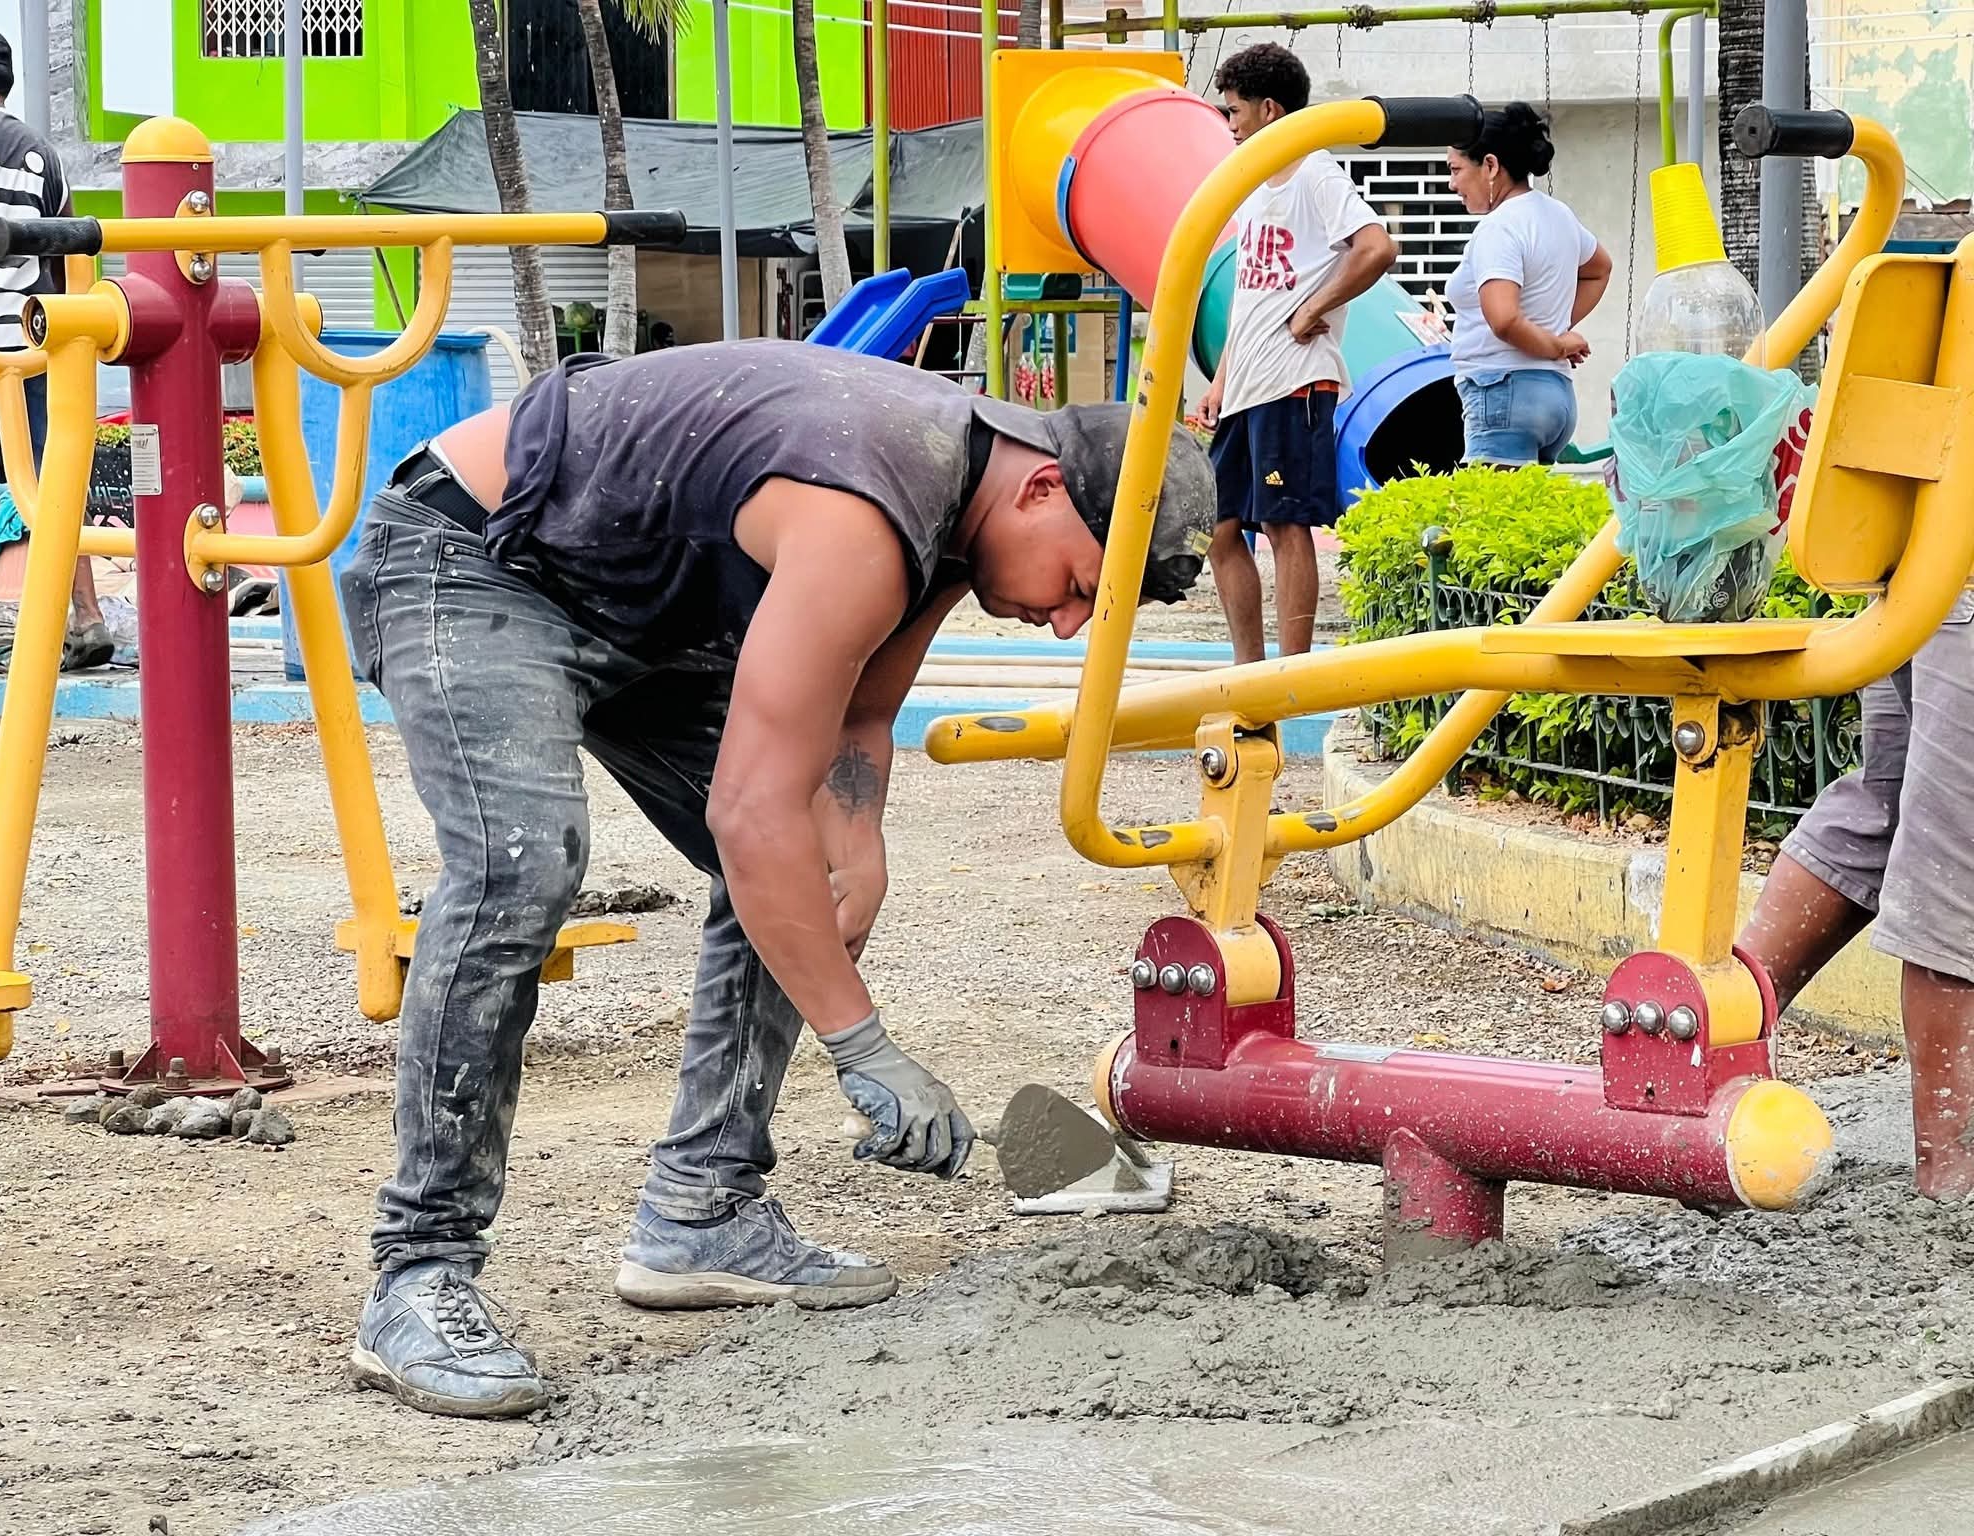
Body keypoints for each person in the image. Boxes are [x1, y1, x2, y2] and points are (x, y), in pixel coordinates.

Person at [338, 340, 1215, 1418]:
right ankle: (418, 1273)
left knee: (804, 865)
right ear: (1042, 488)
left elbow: (855, 716)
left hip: (627, 597)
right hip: (476, 556)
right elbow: (749, 814)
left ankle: (700, 1208)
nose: (1071, 620)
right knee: (522, 864)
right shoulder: (871, 506)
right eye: (1082, 585)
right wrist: (864, 1047)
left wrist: (858, 842)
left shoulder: (962, 510)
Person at [1739, 605, 1974, 1200]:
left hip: (1927, 586)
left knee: (1887, 807)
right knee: (1957, 844)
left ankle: (1709, 1056)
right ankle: (1952, 1178)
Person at [1200, 43, 1397, 665]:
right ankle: (1247, 670)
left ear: (1270, 110)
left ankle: (1291, 674)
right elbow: (1251, 296)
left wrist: (1314, 310)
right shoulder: (1253, 187)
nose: (1230, 126)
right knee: (1219, 529)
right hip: (1246, 384)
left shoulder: (1316, 173)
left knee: (1284, 523)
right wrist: (1220, 380)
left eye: (1234, 112)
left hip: (1295, 379)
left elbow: (1377, 248)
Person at [0, 21, 111, 675]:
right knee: (51, 488)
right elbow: (64, 259)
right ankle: (87, 615)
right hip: (27, 346)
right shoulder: (44, 156)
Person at [1444, 102, 1612, 467]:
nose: (1452, 183)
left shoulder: (1498, 227)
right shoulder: (1558, 214)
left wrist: (1553, 343)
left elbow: (1504, 320)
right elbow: (1600, 269)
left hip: (1503, 392)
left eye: (1456, 170)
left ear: (1490, 166)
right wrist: (1551, 331)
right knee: (1532, 503)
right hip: (1556, 397)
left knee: (1492, 505)